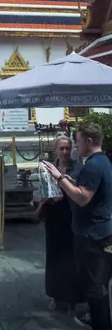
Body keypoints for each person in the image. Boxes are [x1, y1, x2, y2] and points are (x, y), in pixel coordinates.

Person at [44, 122, 112, 330]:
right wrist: (70, 180)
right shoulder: (104, 162)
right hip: (101, 231)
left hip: (93, 235)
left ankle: (101, 324)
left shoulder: (92, 165)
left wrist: (59, 178)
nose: (76, 146)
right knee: (99, 284)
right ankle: (98, 319)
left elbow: (82, 198)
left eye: (78, 141)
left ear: (89, 141)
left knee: (95, 287)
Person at [36, 134, 82, 312]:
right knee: (54, 257)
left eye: (67, 148)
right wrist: (43, 202)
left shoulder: (76, 169)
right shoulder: (49, 168)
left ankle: (73, 299)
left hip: (70, 216)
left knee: (71, 258)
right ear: (55, 149)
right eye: (61, 148)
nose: (64, 152)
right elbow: (43, 189)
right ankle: (55, 294)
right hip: (53, 217)